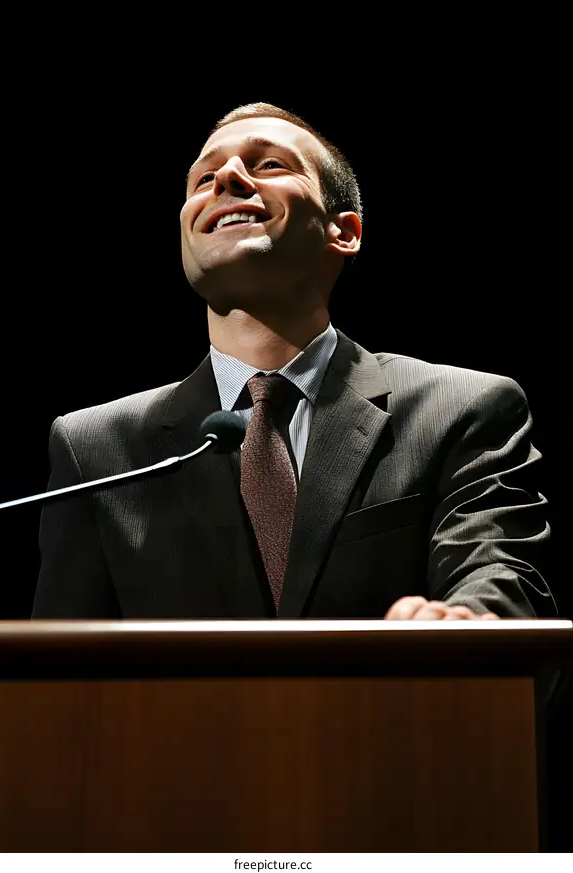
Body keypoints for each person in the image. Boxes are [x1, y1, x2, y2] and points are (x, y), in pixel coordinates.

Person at [31, 102, 556, 621]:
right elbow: (53, 679)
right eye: (204, 177)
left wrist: (464, 622)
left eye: (269, 164)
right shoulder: (95, 450)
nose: (227, 178)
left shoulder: (461, 410)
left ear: (343, 232)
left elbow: (500, 579)